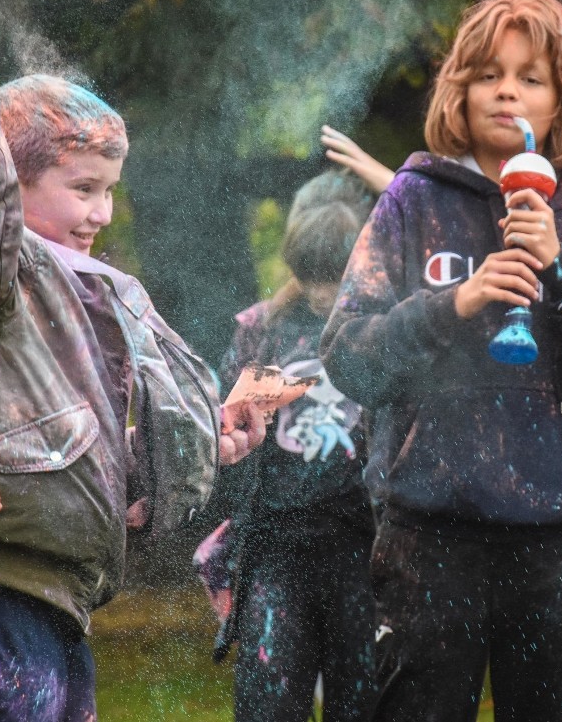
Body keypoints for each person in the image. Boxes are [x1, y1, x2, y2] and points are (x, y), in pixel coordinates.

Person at [0, 0, 265, 721]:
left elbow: (72, 468)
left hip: (44, 607)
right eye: (81, 186)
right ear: (8, 179)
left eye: (109, 187)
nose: (102, 211)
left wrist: (201, 437)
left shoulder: (65, 306)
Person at [320, 0, 562, 722]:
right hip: (429, 533)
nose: (506, 89)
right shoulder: (412, 203)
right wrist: (456, 304)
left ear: (560, 100)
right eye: (487, 73)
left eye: (530, 77)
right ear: (460, 88)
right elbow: (350, 355)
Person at [214, 168, 380, 722]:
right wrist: (248, 404)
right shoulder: (263, 328)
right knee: (268, 703)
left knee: (362, 704)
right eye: (308, 277)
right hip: (277, 548)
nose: (320, 293)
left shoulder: (382, 324)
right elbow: (224, 422)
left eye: (332, 278)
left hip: (364, 548)